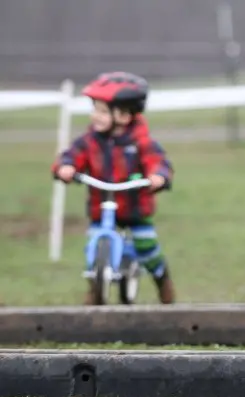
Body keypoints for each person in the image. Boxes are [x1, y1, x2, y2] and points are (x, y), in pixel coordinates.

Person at [51, 71, 176, 305]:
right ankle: (94, 287)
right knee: (93, 245)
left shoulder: (141, 142)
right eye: (94, 109)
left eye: (101, 111)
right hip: (102, 207)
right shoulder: (89, 141)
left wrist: (158, 175)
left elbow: (157, 161)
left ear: (124, 114)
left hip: (135, 209)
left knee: (147, 247)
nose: (94, 116)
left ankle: (162, 280)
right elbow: (72, 155)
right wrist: (65, 167)